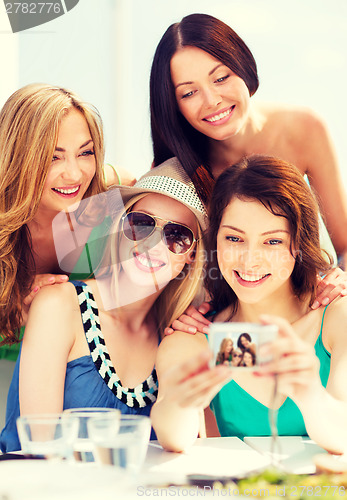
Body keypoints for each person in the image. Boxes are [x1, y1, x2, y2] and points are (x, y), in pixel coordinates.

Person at [0, 157, 230, 452]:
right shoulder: (59, 306)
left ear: (192, 255)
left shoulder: (177, 334)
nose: (153, 243)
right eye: (141, 224)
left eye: (177, 236)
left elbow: (197, 445)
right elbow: (41, 450)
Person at [151, 155, 347, 455]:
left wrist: (308, 390)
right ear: (215, 239)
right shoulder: (196, 336)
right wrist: (182, 398)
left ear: (300, 243)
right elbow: (175, 437)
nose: (249, 260)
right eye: (234, 238)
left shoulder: (337, 317)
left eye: (273, 242)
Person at [150, 13, 347, 267]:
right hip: (217, 303)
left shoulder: (303, 129)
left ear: (243, 67)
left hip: (301, 294)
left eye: (221, 78)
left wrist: (338, 283)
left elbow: (345, 247)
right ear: (173, 106)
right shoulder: (173, 173)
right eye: (189, 93)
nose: (212, 101)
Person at [0, 83, 136, 361]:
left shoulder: (112, 193)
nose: (74, 174)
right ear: (18, 157)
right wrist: (12, 317)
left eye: (85, 153)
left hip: (85, 369)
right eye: (53, 157)